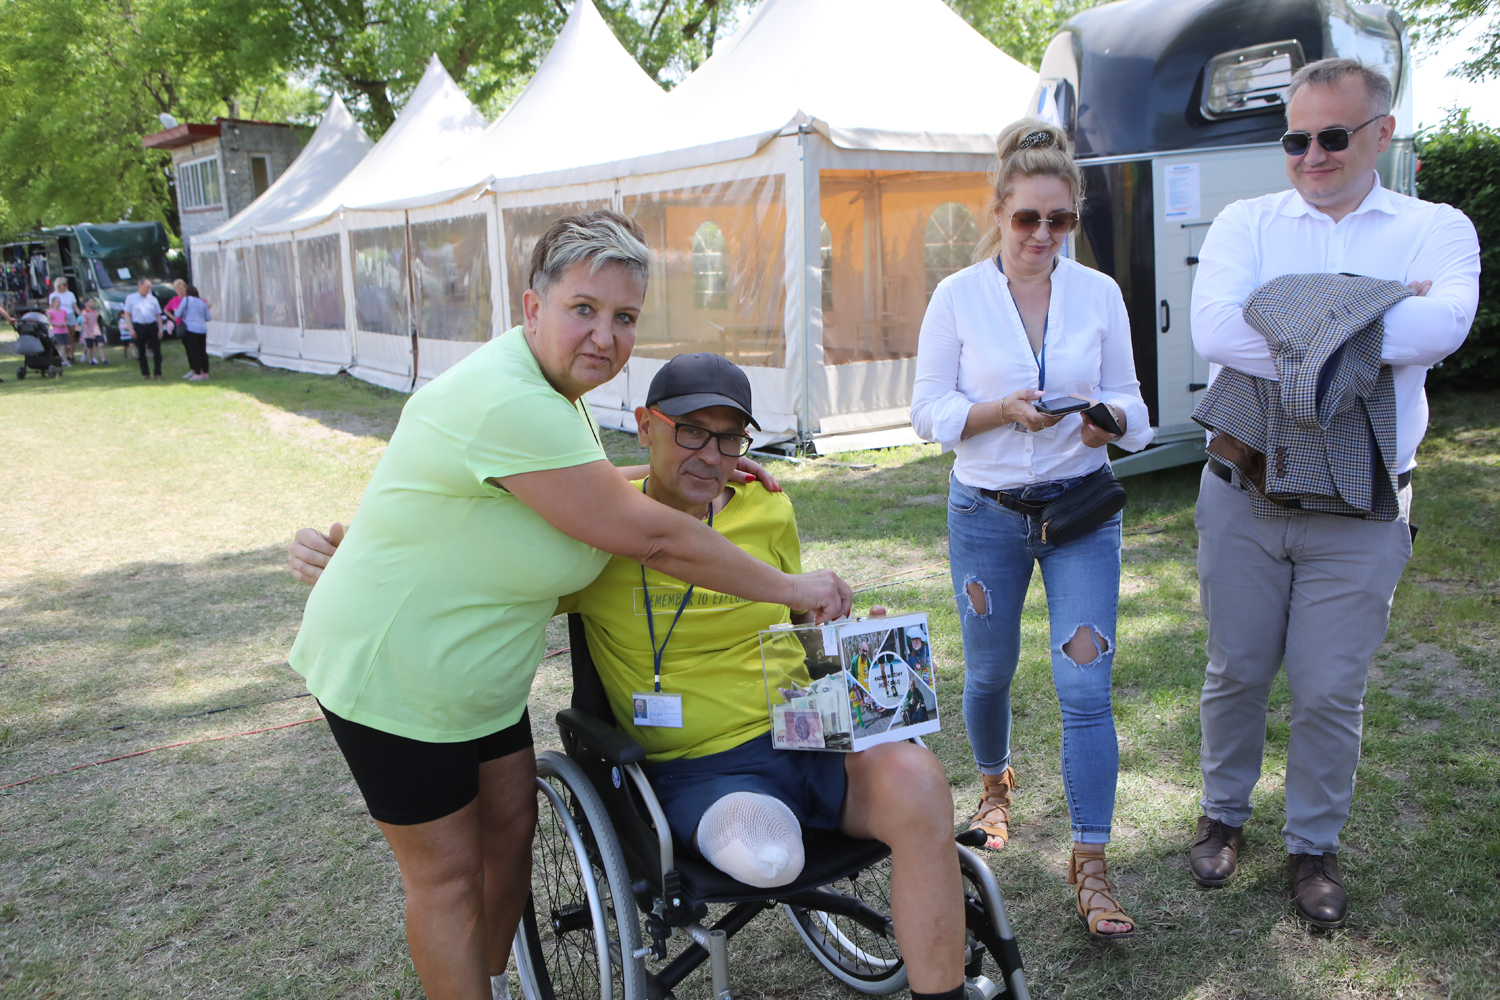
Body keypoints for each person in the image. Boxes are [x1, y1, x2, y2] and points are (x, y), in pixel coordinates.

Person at [283, 211, 851, 1000]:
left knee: (511, 833)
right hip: (398, 675)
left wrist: (689, 464)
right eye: (584, 308)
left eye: (624, 317)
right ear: (532, 308)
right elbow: (654, 538)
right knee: (448, 876)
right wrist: (793, 588)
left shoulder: (555, 395)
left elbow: (565, 479)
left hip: (480, 675)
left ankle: (486, 980)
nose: (604, 335)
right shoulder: (508, 397)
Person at [300, 352, 970, 1000]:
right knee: (771, 857)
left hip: (809, 738)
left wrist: (853, 645)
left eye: (729, 439)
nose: (711, 454)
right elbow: (471, 555)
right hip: (701, 772)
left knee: (920, 783)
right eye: (691, 432)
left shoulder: (768, 507)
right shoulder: (593, 534)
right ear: (646, 426)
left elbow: (797, 623)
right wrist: (355, 555)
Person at [1186, 58, 1479, 929]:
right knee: (1236, 670)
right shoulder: (1247, 220)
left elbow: (1443, 327)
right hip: (1244, 485)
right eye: (1295, 139)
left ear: (1381, 133)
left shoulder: (1436, 227)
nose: (1311, 156)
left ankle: (1313, 845)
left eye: (1333, 136)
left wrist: (1286, 311)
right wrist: (1370, 309)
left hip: (1366, 506)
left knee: (1327, 690)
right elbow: (1215, 330)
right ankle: (1222, 817)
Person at [910, 117, 1155, 940]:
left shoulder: (1099, 293)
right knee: (989, 672)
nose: (1042, 235)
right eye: (1026, 218)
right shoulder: (957, 296)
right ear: (998, 212)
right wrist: (1000, 411)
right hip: (986, 514)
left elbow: (1136, 404)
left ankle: (1093, 867)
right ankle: (994, 789)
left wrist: (1106, 420)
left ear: (1074, 218)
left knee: (1085, 688)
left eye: (1059, 220)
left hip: (1080, 509)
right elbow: (927, 411)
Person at [123, 277, 164, 380]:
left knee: (157, 351)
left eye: (150, 287)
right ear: (140, 286)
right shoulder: (131, 298)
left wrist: (160, 329)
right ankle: (145, 373)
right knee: (141, 351)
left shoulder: (153, 299)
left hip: (152, 326)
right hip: (139, 326)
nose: (149, 289)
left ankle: (158, 373)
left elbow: (158, 315)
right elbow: (127, 314)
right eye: (147, 287)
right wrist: (131, 329)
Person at [173, 283, 212, 380]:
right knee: (202, 351)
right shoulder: (202, 302)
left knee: (194, 351)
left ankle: (197, 373)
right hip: (202, 329)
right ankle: (205, 372)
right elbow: (208, 317)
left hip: (191, 328)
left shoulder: (186, 300)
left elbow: (178, 314)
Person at [54, 277, 79, 363]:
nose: (65, 286)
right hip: (60, 316)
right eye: (63, 284)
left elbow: (75, 306)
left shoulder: (70, 294)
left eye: (66, 284)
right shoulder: (54, 295)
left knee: (72, 336)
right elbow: (52, 308)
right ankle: (65, 355)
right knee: (66, 336)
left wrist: (80, 315)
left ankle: (71, 355)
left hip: (70, 314)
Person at [79, 298, 107, 365]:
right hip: (88, 333)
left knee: (101, 345)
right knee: (90, 347)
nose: (93, 303)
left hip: (96, 331)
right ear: (86, 303)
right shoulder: (84, 313)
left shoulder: (95, 312)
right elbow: (85, 324)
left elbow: (96, 322)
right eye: (91, 302)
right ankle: (90, 361)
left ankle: (103, 360)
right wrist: (89, 333)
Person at [46, 294, 71, 365]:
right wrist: (56, 324)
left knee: (68, 346)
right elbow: (48, 321)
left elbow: (66, 320)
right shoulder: (51, 312)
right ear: (53, 303)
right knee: (62, 346)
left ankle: (62, 356)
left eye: (59, 302)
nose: (59, 303)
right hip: (57, 331)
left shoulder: (63, 311)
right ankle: (65, 360)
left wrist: (65, 323)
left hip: (64, 330)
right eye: (57, 302)